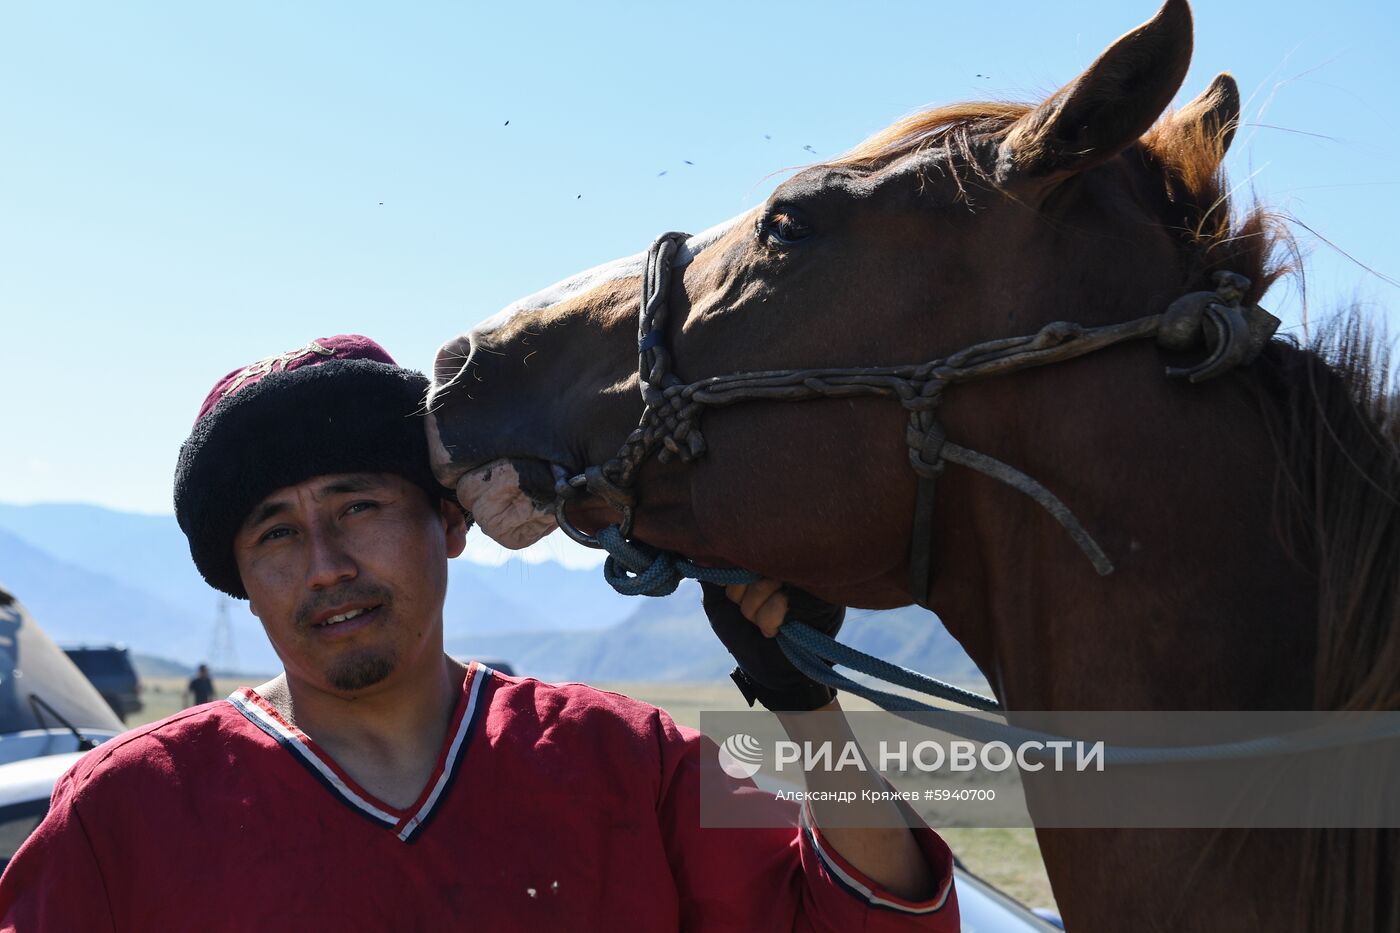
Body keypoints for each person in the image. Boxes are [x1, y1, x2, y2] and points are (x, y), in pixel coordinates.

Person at [0, 335, 958, 930]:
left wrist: (804, 704)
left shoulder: (631, 761)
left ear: (449, 525)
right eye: (277, 532)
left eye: (360, 505)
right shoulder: (121, 816)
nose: (327, 562)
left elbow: (869, 921)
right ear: (241, 580)